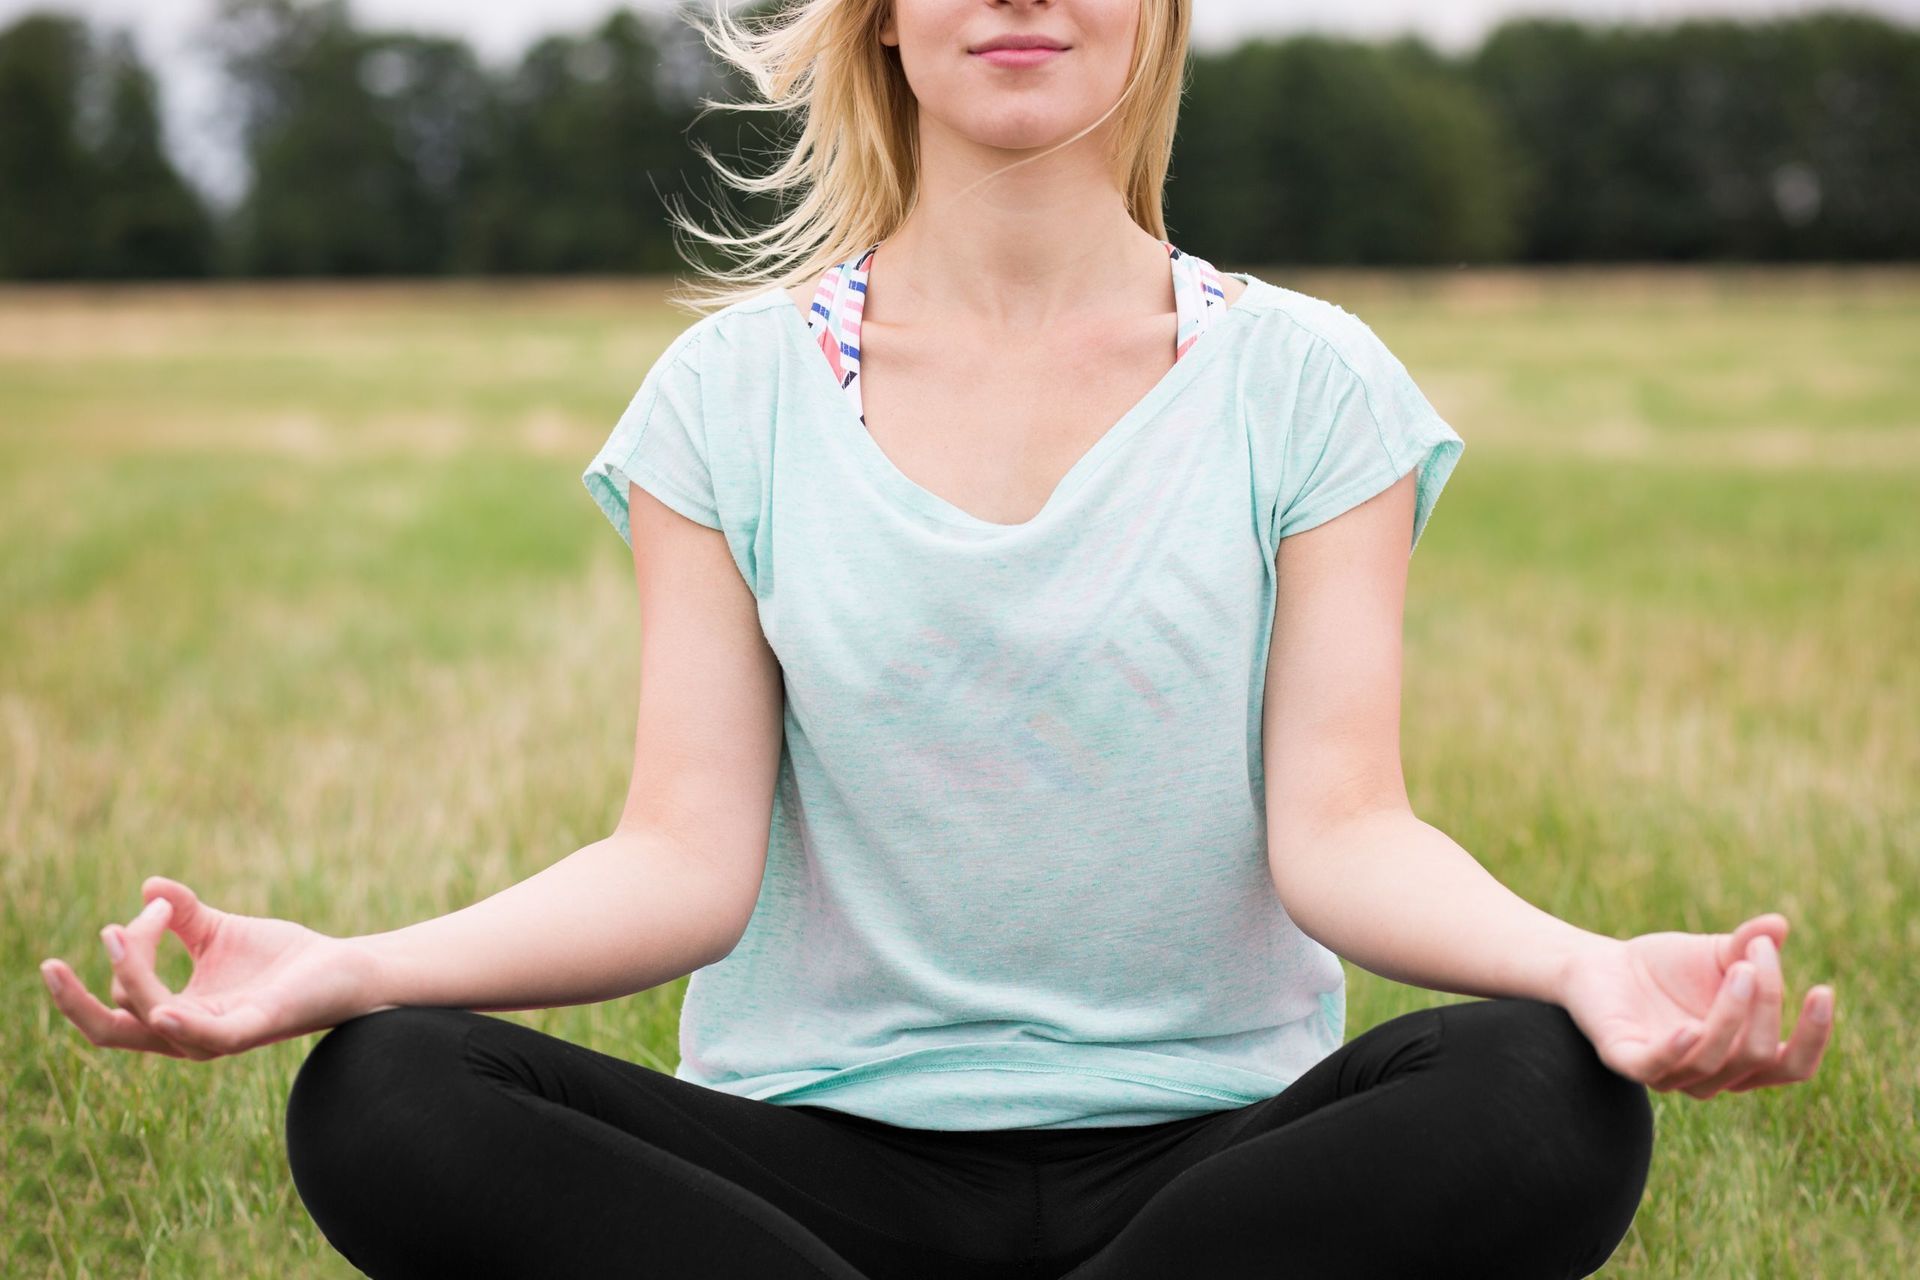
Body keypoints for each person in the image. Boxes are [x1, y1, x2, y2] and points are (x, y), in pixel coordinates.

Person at [39, 1, 1836, 1277]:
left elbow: (1346, 831)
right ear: (883, 17)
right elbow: (680, 862)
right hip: (807, 1178)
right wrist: (352, 967)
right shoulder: (729, 395)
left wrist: (1587, 966)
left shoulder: (1308, 383)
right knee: (389, 1090)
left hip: (1213, 1177)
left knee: (1543, 1091)